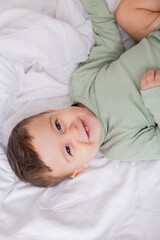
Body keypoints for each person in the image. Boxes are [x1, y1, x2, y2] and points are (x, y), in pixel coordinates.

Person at [7, 0, 160, 187]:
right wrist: (154, 96)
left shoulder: (83, 83)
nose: (73, 132)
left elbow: (108, 43)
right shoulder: (120, 145)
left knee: (127, 14)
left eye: (58, 125)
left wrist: (93, 4)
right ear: (79, 168)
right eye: (69, 149)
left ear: (52, 111)